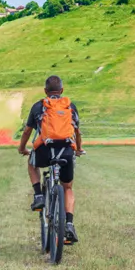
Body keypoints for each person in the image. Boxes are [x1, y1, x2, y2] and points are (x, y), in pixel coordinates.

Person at [19, 75, 82, 244]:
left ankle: (39, 196)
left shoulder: (39, 106)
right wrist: (79, 150)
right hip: (66, 151)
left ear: (45, 91)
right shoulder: (70, 106)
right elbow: (77, 132)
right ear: (62, 90)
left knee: (31, 163)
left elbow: (27, 132)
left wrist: (22, 148)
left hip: (45, 151)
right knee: (67, 187)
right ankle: (68, 224)